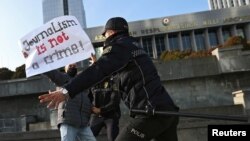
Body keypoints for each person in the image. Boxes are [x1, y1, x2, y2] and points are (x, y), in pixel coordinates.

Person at [39, 17, 179, 141]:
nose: (105, 37)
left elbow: (100, 70)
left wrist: (66, 91)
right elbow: (104, 73)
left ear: (111, 32)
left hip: (151, 113)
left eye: (105, 34)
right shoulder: (133, 46)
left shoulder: (119, 46)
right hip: (167, 111)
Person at [44, 63, 96, 141]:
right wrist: (37, 62)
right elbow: (50, 72)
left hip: (83, 123)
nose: (72, 67)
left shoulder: (81, 80)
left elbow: (86, 98)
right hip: (68, 122)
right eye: (70, 66)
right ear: (65, 68)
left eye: (74, 66)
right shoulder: (62, 78)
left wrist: (91, 107)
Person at [89, 75, 121, 141]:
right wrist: (91, 108)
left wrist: (101, 110)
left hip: (111, 116)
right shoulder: (91, 83)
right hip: (96, 115)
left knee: (112, 138)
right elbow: (87, 98)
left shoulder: (113, 82)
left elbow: (115, 101)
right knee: (87, 138)